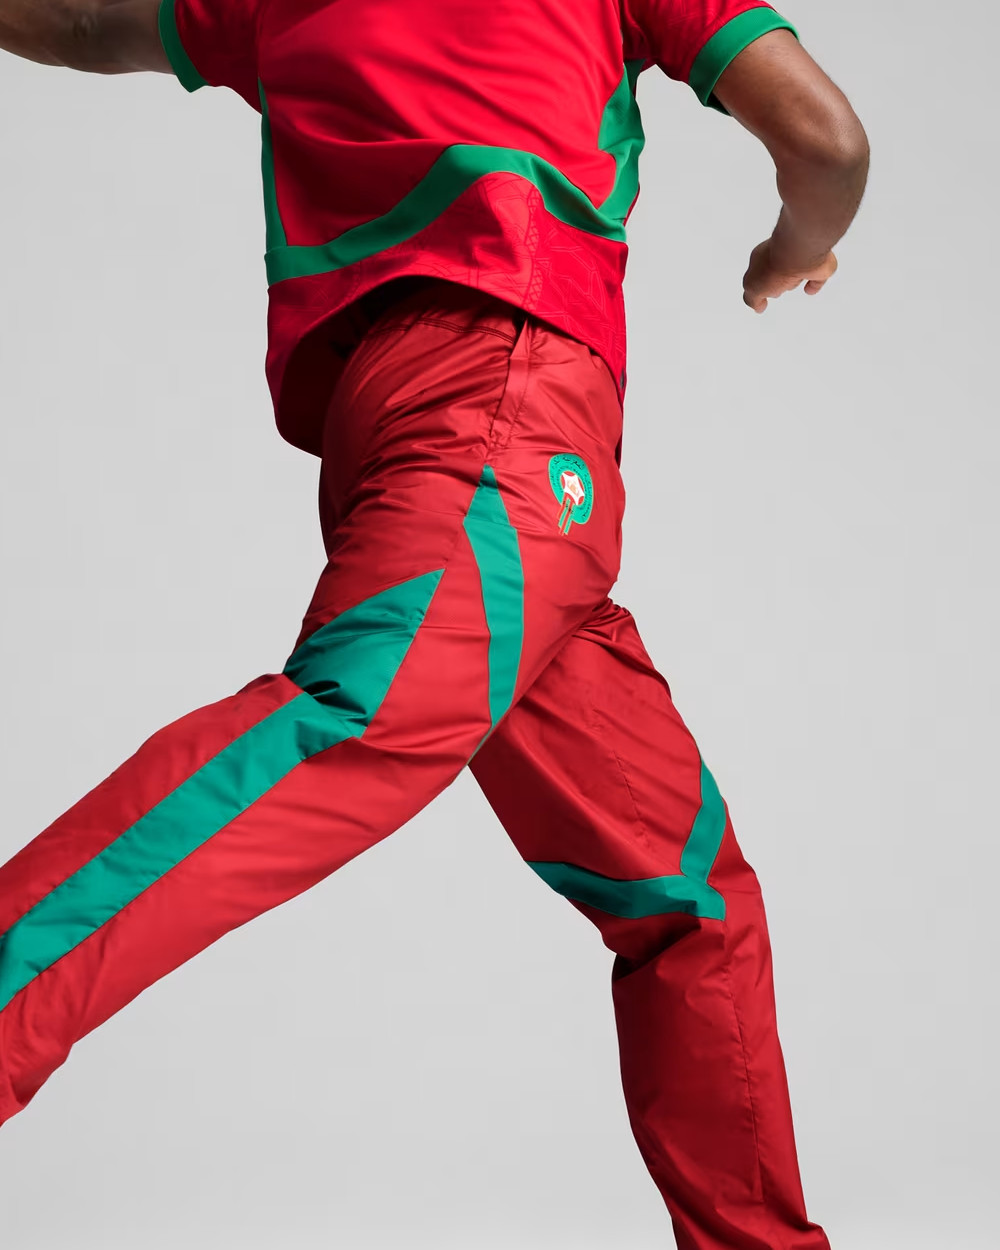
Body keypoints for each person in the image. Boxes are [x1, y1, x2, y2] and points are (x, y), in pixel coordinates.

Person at [0, 1, 868, 1246]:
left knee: (688, 899)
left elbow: (87, 21)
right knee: (348, 726)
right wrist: (793, 247)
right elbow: (826, 139)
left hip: (401, 428)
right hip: (502, 414)